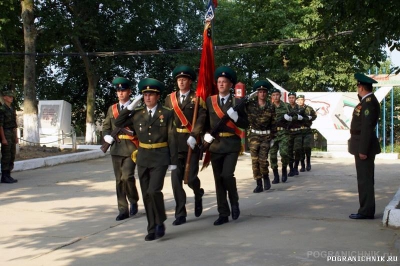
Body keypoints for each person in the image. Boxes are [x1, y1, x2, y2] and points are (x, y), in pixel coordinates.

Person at [115, 78, 177, 240]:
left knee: (153, 190)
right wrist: (130, 107)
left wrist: (173, 160)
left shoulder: (167, 113)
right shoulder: (137, 114)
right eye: (145, 94)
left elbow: (172, 137)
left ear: (158, 96)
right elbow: (118, 122)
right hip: (143, 158)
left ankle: (160, 220)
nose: (148, 97)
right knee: (146, 194)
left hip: (160, 157)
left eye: (151, 94)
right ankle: (151, 228)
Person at [203, 66, 249, 225]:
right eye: (219, 82)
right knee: (218, 180)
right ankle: (223, 212)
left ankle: (234, 201)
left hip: (231, 144)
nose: (221, 84)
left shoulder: (237, 102)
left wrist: (236, 117)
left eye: (225, 82)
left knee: (227, 175)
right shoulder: (210, 101)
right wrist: (205, 134)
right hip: (215, 145)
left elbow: (245, 124)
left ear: (231, 85)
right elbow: (204, 121)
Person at [164, 65, 206, 226]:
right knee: (176, 180)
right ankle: (180, 213)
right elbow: (166, 120)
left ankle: (198, 192)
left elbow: (202, 117)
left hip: (191, 143)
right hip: (175, 144)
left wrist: (195, 135)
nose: (181, 82)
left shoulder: (197, 98)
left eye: (184, 79)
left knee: (190, 178)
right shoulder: (170, 99)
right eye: (179, 79)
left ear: (190, 81)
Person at [102, 77, 140, 221]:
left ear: (129, 91)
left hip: (131, 147)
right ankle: (123, 209)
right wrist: (106, 136)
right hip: (116, 148)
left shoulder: (136, 108)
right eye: (118, 91)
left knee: (127, 177)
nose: (120, 93)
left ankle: (133, 199)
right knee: (119, 180)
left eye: (123, 90)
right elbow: (106, 126)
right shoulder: (112, 109)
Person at [348, 73, 380, 220]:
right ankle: (365, 209)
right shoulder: (367, 101)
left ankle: (366, 211)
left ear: (360, 87)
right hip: (360, 143)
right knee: (363, 179)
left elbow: (367, 127)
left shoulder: (368, 102)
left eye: (358, 86)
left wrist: (362, 150)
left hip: (363, 146)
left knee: (365, 180)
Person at [246, 80, 275, 193]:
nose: (262, 94)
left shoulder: (270, 107)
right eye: (260, 92)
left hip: (266, 136)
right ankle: (258, 183)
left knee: (263, 160)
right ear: (257, 93)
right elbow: (239, 104)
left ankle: (266, 176)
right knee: (255, 161)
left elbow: (274, 123)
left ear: (266, 93)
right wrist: (247, 97)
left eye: (264, 92)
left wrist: (273, 137)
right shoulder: (251, 105)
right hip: (254, 135)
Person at [269, 88, 290, 183]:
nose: (276, 97)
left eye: (277, 95)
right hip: (273, 134)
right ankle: (276, 175)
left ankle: (284, 170)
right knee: (272, 155)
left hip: (283, 133)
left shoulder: (286, 106)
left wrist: (290, 118)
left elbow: (294, 115)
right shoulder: (269, 107)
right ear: (271, 97)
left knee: (284, 153)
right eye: (274, 95)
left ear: (280, 95)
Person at [0, 90, 18, 184]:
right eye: (9, 96)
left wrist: (16, 136)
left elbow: (14, 125)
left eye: (12, 97)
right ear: (4, 97)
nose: (11, 98)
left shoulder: (12, 109)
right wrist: (3, 138)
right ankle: (4, 175)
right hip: (6, 133)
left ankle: (8, 174)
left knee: (12, 154)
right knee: (6, 155)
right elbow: (0, 125)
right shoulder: (2, 109)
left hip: (11, 133)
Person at [296, 94, 317, 171]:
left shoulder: (309, 108)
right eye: (299, 100)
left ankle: (308, 162)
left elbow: (314, 115)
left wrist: (311, 117)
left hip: (307, 130)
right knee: (300, 148)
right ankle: (302, 165)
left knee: (307, 147)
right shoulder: (295, 108)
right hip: (299, 130)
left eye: (302, 99)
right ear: (297, 101)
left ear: (304, 100)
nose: (300, 101)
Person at [286, 92, 304, 177]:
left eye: (293, 97)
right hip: (289, 132)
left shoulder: (300, 108)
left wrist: (300, 118)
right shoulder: (285, 108)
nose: (291, 99)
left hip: (298, 132)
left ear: (295, 98)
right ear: (288, 98)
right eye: (290, 97)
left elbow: (304, 119)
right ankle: (291, 169)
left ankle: (296, 167)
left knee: (297, 150)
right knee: (289, 151)